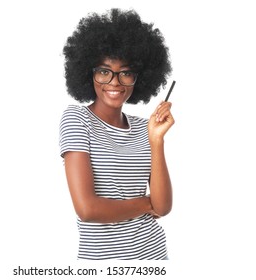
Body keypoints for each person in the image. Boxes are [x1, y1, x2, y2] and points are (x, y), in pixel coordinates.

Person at [59, 8, 174, 260]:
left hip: (154, 256)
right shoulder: (77, 120)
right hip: (104, 262)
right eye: (104, 71)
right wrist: (146, 203)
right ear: (89, 73)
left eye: (126, 72)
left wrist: (156, 139)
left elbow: (163, 206)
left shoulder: (146, 128)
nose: (115, 82)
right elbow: (87, 209)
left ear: (138, 77)